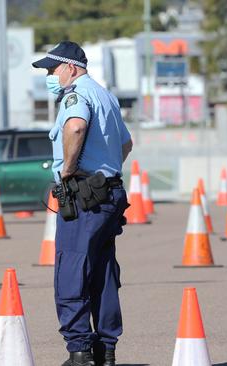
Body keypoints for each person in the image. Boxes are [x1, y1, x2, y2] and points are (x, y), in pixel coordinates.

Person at [32, 41, 133, 366]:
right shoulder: (106, 95)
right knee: (102, 273)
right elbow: (126, 143)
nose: (50, 76)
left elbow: (76, 126)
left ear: (70, 67)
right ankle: (106, 349)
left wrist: (68, 171)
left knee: (71, 271)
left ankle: (79, 351)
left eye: (52, 69)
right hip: (108, 193)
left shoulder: (76, 95)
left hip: (85, 195)